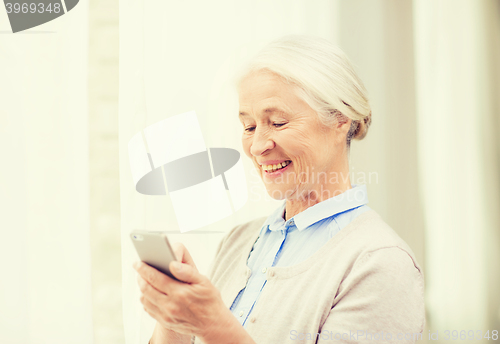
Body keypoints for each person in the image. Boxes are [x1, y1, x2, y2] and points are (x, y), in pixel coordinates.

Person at [133, 35, 425, 344]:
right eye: (249, 127)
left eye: (278, 122)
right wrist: (175, 320)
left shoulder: (380, 264)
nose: (258, 146)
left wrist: (212, 326)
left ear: (340, 118)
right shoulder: (238, 242)